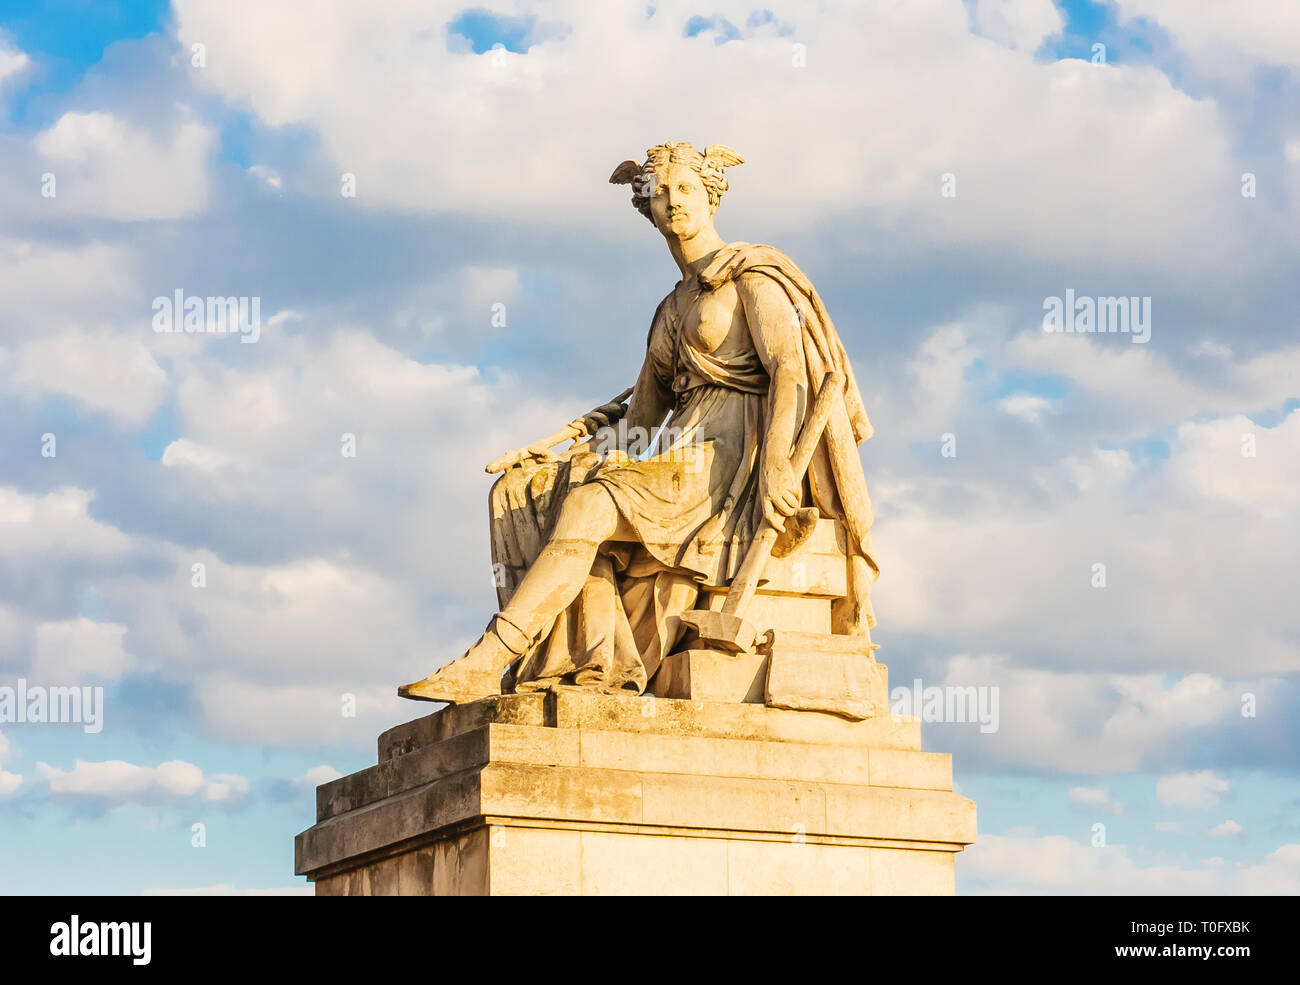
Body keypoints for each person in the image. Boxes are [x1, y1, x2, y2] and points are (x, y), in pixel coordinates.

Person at [400, 141, 879, 703]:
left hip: (734, 452)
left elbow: (791, 375)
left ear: (711, 197)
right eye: (660, 195)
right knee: (526, 491)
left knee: (593, 503)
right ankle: (594, 659)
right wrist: (563, 455)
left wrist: (776, 465)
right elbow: (643, 419)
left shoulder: (752, 277)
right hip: (678, 448)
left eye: (686, 190)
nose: (674, 203)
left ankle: (489, 658)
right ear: (646, 210)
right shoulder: (671, 308)